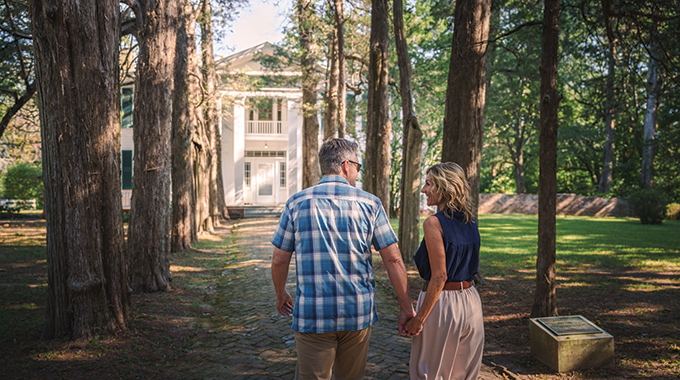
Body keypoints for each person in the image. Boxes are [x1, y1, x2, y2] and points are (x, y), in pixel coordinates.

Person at [271, 138, 415, 380]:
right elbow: (393, 260)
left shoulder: (297, 203)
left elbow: (279, 260)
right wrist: (405, 306)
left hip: (312, 314)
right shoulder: (371, 203)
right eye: (358, 167)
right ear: (346, 165)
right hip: (357, 313)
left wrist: (280, 292)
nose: (358, 173)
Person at [404, 162, 485, 380]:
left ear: (444, 187)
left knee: (430, 372)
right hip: (471, 302)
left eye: (428, 184)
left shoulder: (433, 223)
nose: (423, 189)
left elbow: (440, 276)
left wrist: (418, 319)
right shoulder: (471, 220)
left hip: (443, 304)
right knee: (465, 373)